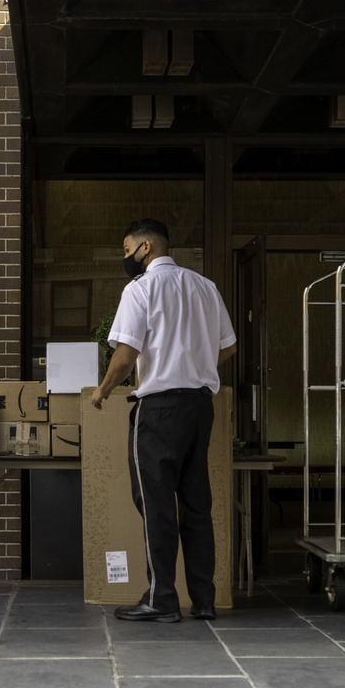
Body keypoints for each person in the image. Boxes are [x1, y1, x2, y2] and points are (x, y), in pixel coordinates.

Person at [90, 219, 237, 623]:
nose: (125, 258)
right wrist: (194, 365)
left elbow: (125, 354)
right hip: (199, 407)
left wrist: (102, 390)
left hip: (158, 411)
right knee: (196, 504)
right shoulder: (205, 286)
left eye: (126, 250)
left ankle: (162, 599)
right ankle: (203, 601)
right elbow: (229, 346)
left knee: (156, 506)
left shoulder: (141, 289)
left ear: (147, 247)